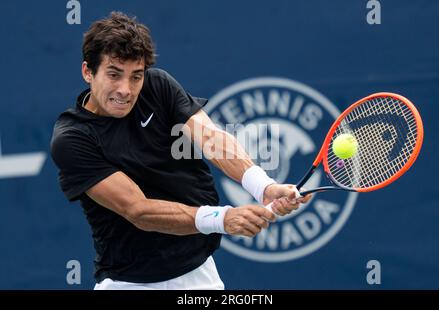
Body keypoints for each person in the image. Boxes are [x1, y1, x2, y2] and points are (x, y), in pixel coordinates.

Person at [50, 12, 311, 290]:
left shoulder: (158, 86)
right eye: (114, 75)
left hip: (199, 276)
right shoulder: (73, 139)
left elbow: (210, 138)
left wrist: (264, 187)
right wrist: (222, 218)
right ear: (87, 71)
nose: (125, 89)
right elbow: (139, 210)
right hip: (130, 283)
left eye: (136, 76)